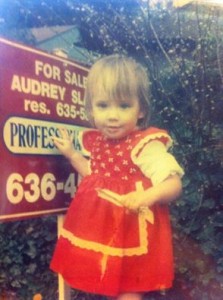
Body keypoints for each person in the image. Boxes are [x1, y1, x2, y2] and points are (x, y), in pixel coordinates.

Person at [50, 55, 184, 300]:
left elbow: (173, 183)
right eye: (103, 106)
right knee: (109, 281)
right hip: (103, 227)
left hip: (132, 228)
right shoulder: (99, 144)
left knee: (129, 288)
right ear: (91, 108)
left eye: (123, 106)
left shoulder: (145, 146)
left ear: (140, 110)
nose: (113, 116)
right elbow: (94, 175)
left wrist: (148, 195)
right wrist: (71, 154)